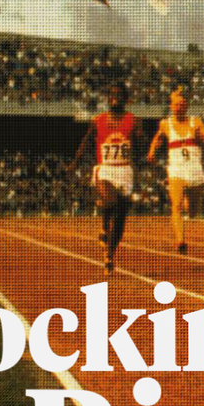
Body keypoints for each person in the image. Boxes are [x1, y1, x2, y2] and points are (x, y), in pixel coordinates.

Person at [72, 82, 139, 274]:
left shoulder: (133, 120)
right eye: (112, 94)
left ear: (126, 99)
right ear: (108, 98)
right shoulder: (98, 120)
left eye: (119, 94)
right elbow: (85, 142)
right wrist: (75, 162)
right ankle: (103, 225)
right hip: (105, 169)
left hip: (125, 171)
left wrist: (143, 147)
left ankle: (109, 252)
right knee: (111, 201)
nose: (115, 97)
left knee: (120, 218)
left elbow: (140, 144)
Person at [145, 85, 204, 255]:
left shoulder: (195, 122)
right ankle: (180, 240)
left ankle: (187, 203)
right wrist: (152, 152)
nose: (178, 108)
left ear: (186, 106)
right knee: (175, 206)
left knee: (192, 211)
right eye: (175, 105)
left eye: (181, 104)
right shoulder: (165, 124)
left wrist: (201, 136)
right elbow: (157, 140)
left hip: (195, 169)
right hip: (176, 170)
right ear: (171, 106)